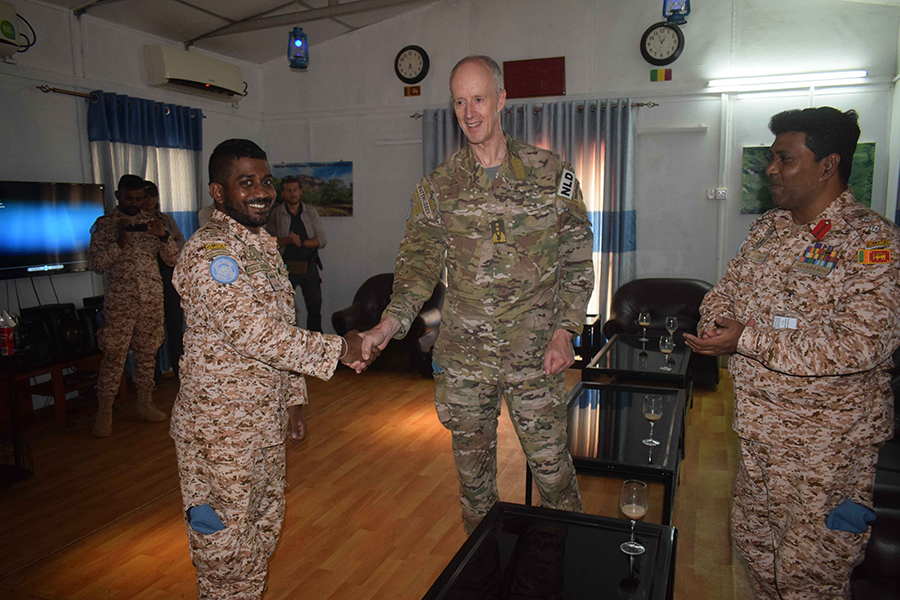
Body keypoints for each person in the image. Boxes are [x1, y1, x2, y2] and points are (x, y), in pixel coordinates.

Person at [357, 55, 595, 534]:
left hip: (535, 357)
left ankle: (573, 566)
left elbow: (577, 258)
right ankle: (484, 572)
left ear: (502, 99)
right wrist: (389, 324)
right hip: (465, 359)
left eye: (479, 98)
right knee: (475, 488)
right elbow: (418, 266)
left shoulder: (551, 174)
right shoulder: (438, 188)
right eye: (459, 102)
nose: (469, 112)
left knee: (554, 479)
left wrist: (566, 330)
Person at [684, 107, 900, 600]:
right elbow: (724, 292)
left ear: (828, 165)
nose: (772, 169)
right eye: (771, 158)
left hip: (825, 457)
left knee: (810, 581)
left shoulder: (872, 243)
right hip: (759, 442)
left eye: (785, 158)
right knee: (760, 561)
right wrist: (716, 324)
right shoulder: (769, 231)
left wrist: (747, 338)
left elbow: (862, 343)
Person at [171, 139, 376, 599]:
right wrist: (343, 348)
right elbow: (256, 334)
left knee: (260, 534)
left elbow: (280, 332)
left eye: (265, 180)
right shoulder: (211, 255)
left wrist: (293, 402)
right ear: (218, 192)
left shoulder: (260, 247)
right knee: (225, 553)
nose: (261, 191)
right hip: (220, 432)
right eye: (246, 182)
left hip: (261, 424)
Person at [88, 174, 179, 438]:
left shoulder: (153, 223)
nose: (136, 203)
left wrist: (163, 237)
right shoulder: (105, 225)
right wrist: (119, 244)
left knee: (147, 353)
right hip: (121, 302)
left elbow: (173, 260)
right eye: (130, 198)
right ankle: (104, 410)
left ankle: (145, 403)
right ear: (118, 196)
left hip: (151, 298)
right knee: (115, 355)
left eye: (140, 198)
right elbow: (96, 264)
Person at [265, 176, 327, 332]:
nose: (292, 194)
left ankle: (316, 347)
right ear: (283, 193)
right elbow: (266, 242)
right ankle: (290, 345)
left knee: (314, 309)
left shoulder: (310, 212)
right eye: (288, 190)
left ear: (301, 192)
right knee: (284, 309)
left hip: (309, 266)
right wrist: (288, 240)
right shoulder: (276, 213)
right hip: (284, 268)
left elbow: (322, 240)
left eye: (295, 190)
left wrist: (303, 243)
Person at [142, 181, 185, 377]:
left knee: (175, 325)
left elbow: (180, 244)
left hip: (169, 276)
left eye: (153, 196)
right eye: (146, 196)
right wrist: (172, 237)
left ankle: (178, 370)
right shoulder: (137, 222)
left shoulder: (166, 219)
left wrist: (170, 236)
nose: (150, 200)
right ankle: (153, 376)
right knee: (151, 330)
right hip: (146, 280)